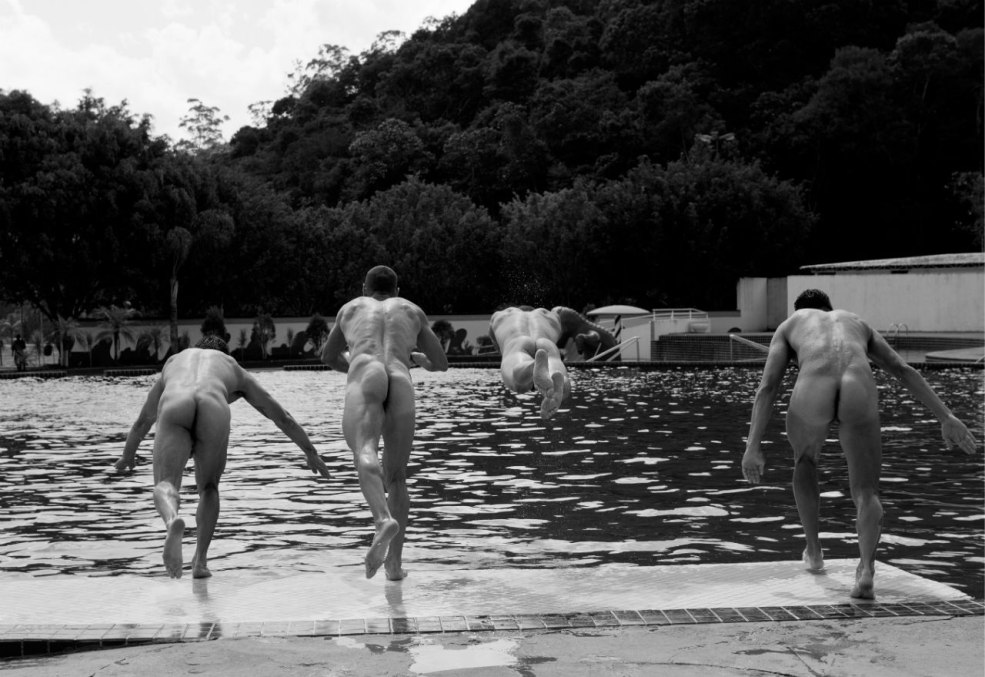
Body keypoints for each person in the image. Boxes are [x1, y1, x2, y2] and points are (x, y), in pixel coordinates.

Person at [741, 289, 978, 599]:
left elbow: (768, 387)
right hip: (858, 385)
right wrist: (946, 416)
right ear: (829, 308)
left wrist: (753, 446)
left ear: (799, 310)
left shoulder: (790, 324)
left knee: (805, 460)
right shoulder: (856, 322)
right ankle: (866, 570)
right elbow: (902, 369)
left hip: (813, 386)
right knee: (866, 490)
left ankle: (814, 551)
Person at [114, 336, 330, 579]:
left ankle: (172, 520)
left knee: (165, 483)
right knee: (209, 488)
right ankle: (200, 562)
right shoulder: (231, 366)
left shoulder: (174, 361)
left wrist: (128, 455)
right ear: (225, 354)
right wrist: (310, 452)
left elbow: (143, 420)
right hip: (213, 406)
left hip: (175, 402)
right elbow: (282, 417)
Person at [321, 265, 448, 580]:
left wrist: (354, 366)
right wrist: (423, 362)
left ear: (365, 289)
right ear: (397, 290)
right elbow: (441, 362)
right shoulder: (412, 310)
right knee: (398, 477)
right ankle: (394, 565)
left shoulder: (350, 308)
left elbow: (328, 356)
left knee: (365, 449)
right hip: (400, 378)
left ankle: (382, 520)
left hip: (367, 372)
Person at [488, 306, 617, 418]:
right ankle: (559, 387)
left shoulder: (500, 315)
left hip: (518, 340)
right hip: (545, 341)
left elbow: (496, 344)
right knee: (554, 362)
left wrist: (506, 354)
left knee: (517, 378)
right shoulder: (548, 315)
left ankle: (531, 366)